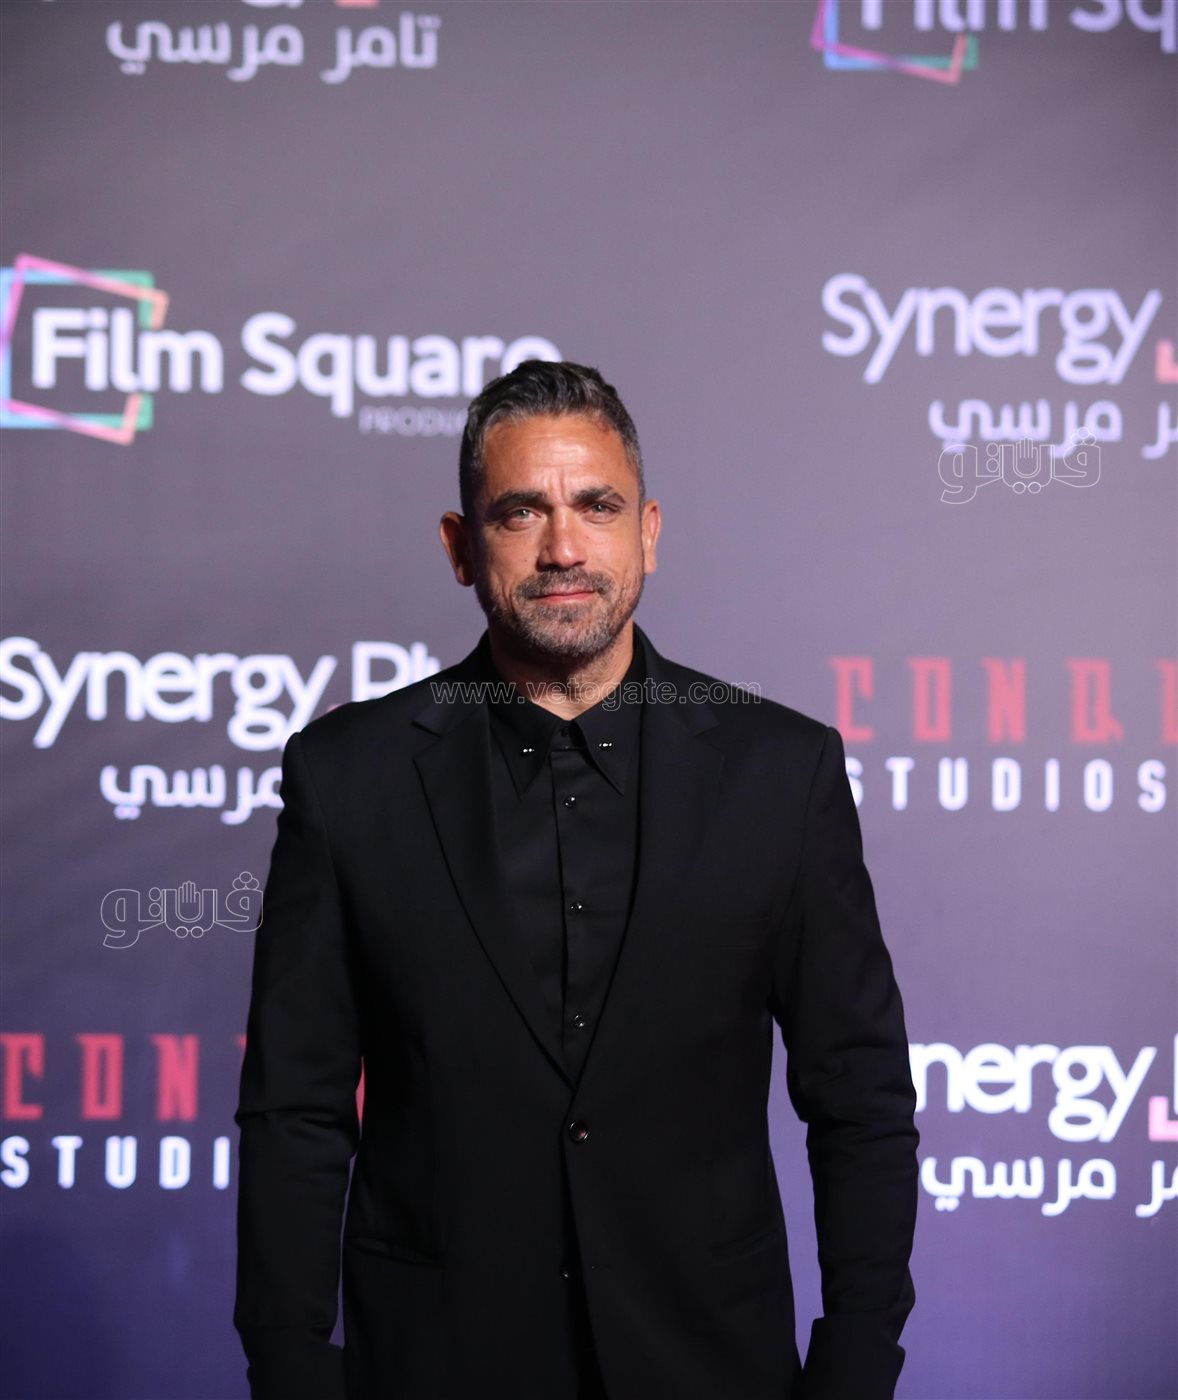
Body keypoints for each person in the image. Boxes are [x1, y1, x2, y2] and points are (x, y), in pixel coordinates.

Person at [233, 359, 919, 1400]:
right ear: (460, 547)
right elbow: (296, 1107)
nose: (562, 547)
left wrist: (857, 1362)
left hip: (711, 1366)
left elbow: (858, 1091)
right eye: (521, 512)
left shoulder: (782, 773)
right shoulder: (348, 779)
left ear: (648, 531)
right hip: (435, 1366)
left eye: (596, 506)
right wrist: (289, 1364)